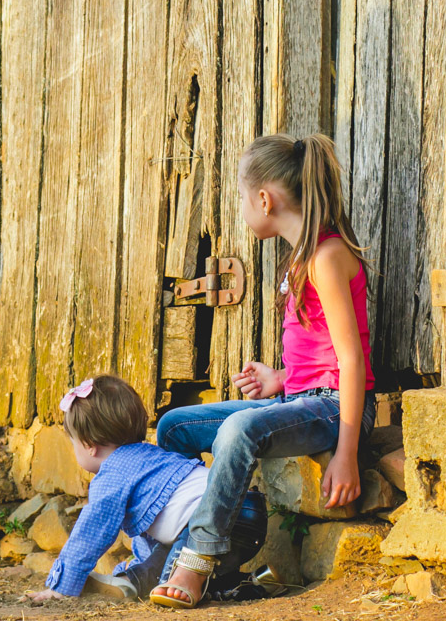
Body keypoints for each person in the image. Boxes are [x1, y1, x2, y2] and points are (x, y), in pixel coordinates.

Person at [151, 133, 377, 608]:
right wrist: (279, 379)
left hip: (336, 409)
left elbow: (351, 361)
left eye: (240, 198)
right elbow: (317, 355)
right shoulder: (301, 258)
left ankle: (198, 560)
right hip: (299, 397)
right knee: (175, 427)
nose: (241, 208)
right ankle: (237, 529)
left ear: (263, 199)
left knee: (238, 428)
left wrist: (347, 452)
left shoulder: (327, 257)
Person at [24, 374, 267, 604]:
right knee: (168, 559)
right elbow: (150, 538)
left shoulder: (113, 473)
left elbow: (91, 531)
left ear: (88, 445)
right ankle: (252, 583)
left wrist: (61, 586)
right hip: (247, 513)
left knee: (166, 585)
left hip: (210, 519)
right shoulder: (151, 457)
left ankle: (132, 583)